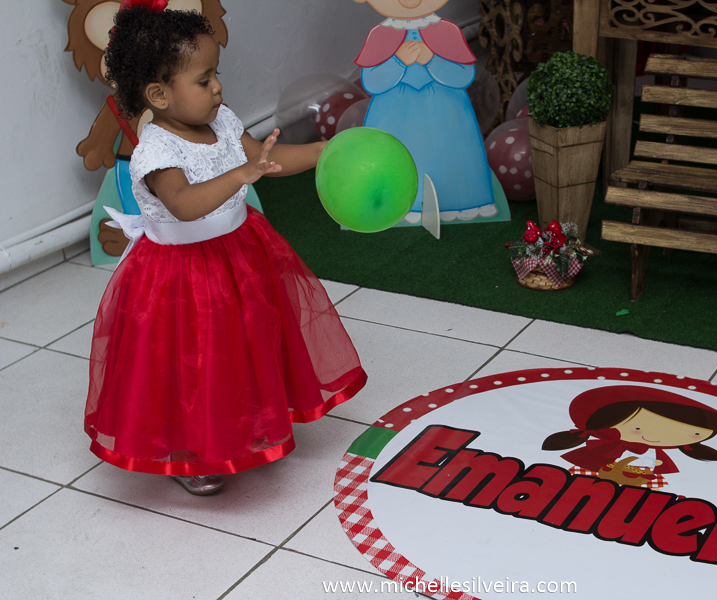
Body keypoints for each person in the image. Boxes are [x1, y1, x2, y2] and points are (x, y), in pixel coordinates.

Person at [84, 3, 367, 496]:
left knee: (245, 342)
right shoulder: (156, 150)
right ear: (158, 94)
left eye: (217, 75)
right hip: (181, 270)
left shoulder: (225, 121)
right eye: (204, 79)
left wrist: (322, 151)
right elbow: (185, 204)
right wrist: (240, 173)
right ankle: (199, 453)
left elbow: (265, 156)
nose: (217, 87)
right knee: (196, 360)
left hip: (239, 250)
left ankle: (251, 419)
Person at [353, 0, 499, 224]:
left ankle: (462, 202)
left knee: (449, 154)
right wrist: (399, 62)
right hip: (393, 114)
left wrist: (431, 60)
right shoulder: (379, 35)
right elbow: (371, 82)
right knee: (397, 156)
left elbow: (463, 75)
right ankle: (396, 203)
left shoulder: (447, 31)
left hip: (446, 112)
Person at [543, 386, 717, 489]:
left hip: (639, 482)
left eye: (694, 434)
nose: (654, 436)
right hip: (592, 477)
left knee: (644, 493)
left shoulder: (654, 457)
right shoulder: (604, 447)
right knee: (578, 483)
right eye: (639, 427)